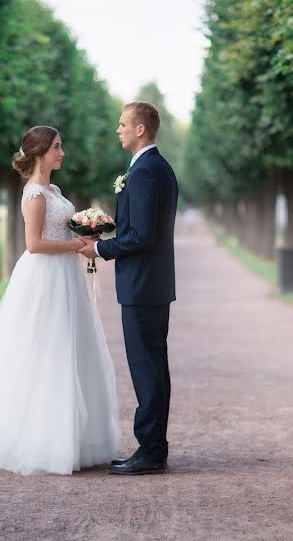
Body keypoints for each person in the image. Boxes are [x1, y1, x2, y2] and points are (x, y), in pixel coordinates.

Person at [0, 126, 120, 476]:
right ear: (40, 152)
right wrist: (77, 246)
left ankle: (73, 438)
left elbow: (59, 230)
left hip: (65, 277)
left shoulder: (54, 189)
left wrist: (84, 234)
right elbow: (34, 244)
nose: (62, 152)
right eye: (57, 147)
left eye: (61, 146)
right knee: (45, 352)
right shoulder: (34, 194)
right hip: (44, 278)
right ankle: (41, 442)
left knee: (70, 350)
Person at [78, 101, 178, 475]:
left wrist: (101, 248)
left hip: (144, 286)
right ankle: (154, 447)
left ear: (140, 130)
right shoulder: (151, 168)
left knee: (147, 367)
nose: (118, 129)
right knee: (152, 365)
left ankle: (151, 451)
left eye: (123, 124)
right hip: (149, 284)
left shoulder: (147, 172)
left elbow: (142, 236)